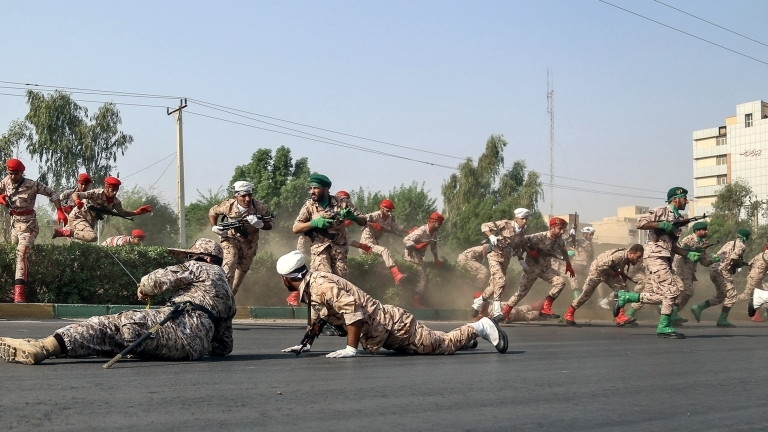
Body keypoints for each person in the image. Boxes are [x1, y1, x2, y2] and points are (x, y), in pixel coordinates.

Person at [0, 238, 236, 365]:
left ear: (205, 258)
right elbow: (224, 347)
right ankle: (52, 344)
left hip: (176, 328)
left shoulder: (200, 267)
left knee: (105, 327)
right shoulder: (228, 295)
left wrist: (143, 289)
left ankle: (43, 348)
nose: (188, 259)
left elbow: (154, 280)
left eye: (190, 256)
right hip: (191, 351)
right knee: (111, 341)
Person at [276, 250, 508, 357]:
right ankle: (465, 340)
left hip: (394, 326)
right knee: (433, 341)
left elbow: (353, 313)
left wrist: (350, 349)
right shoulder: (313, 284)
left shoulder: (320, 285)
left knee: (442, 346)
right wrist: (305, 344)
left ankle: (482, 327)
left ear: (287, 278)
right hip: (384, 331)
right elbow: (320, 316)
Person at [613, 187, 698, 339]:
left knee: (665, 293)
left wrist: (688, 253)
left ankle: (625, 297)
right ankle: (664, 326)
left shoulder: (678, 219)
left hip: (665, 258)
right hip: (654, 257)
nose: (686, 201)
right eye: (684, 198)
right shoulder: (661, 211)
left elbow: (672, 245)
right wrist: (661, 225)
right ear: (675, 199)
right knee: (671, 290)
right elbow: (640, 223)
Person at [0, 158, 68, 303]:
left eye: (16, 174)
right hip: (14, 226)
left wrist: (60, 210)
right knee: (13, 253)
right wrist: (0, 197)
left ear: (22, 173)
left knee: (20, 254)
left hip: (29, 226)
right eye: (10, 173)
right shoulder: (5, 181)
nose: (13, 177)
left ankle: (19, 292)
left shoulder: (32, 185)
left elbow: (53, 193)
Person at [500, 217, 575, 322]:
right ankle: (506, 312)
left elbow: (564, 251)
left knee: (560, 282)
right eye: (560, 228)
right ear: (552, 228)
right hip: (532, 268)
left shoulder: (559, 241)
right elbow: (520, 241)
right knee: (521, 293)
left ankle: (546, 307)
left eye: (563, 229)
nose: (562, 231)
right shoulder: (539, 237)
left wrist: (568, 264)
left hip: (545, 269)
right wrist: (529, 252)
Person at [292, 174, 366, 279]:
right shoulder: (309, 205)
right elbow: (296, 228)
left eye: (316, 188)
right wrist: (314, 223)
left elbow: (363, 221)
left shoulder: (342, 203)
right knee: (323, 279)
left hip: (339, 251)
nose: (312, 191)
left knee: (341, 282)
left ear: (326, 189)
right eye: (310, 188)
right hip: (319, 249)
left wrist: (353, 217)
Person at [209, 181, 274, 296]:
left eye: (249, 195)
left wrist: (260, 224)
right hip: (231, 239)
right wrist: (214, 227)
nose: (247, 199)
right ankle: (221, 296)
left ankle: (229, 299)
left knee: (237, 281)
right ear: (236, 196)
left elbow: (271, 224)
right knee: (229, 264)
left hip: (250, 244)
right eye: (243, 196)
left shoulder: (259, 207)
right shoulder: (228, 205)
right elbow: (212, 212)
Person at [473, 208, 531, 321]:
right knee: (501, 281)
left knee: (494, 286)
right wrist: (491, 236)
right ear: (516, 218)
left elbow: (518, 244)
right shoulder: (505, 224)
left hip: (506, 258)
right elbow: (484, 226)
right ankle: (497, 312)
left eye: (526, 219)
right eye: (522, 218)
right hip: (494, 254)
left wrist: (520, 259)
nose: (524, 221)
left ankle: (478, 302)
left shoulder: (523, 230)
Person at [563, 244, 644, 326]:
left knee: (623, 291)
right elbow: (601, 266)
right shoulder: (619, 256)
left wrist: (621, 277)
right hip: (597, 271)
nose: (639, 259)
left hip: (608, 271)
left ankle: (620, 316)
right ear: (631, 253)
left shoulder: (626, 257)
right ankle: (569, 313)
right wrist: (614, 273)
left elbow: (619, 269)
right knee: (586, 294)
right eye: (638, 257)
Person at [54, 176, 153, 242]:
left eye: (116, 190)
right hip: (78, 217)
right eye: (112, 190)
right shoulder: (96, 193)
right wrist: (77, 201)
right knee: (93, 237)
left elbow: (123, 213)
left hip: (89, 222)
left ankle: (64, 232)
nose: (114, 193)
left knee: (82, 243)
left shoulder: (116, 202)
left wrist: (137, 212)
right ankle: (64, 232)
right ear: (106, 188)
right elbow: (76, 194)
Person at [690, 229, 750, 328]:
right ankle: (722, 320)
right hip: (722, 271)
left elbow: (720, 255)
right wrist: (739, 263)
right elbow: (734, 259)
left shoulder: (730, 243)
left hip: (715, 269)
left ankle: (698, 307)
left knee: (721, 296)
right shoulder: (741, 246)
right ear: (747, 237)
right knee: (732, 295)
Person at [670, 221, 716, 324]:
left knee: (686, 293)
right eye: (704, 230)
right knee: (687, 291)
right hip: (681, 268)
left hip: (689, 271)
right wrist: (697, 249)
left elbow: (704, 261)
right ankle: (671, 312)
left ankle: (672, 314)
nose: (706, 231)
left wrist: (713, 260)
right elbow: (682, 251)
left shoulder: (702, 243)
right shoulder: (688, 239)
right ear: (697, 231)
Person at [358, 197, 408, 285]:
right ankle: (396, 274)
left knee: (385, 259)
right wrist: (372, 224)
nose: (389, 213)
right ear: (381, 208)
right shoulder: (374, 215)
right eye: (387, 210)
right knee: (384, 251)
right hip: (366, 242)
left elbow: (397, 226)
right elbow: (360, 220)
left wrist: (408, 231)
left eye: (391, 211)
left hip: (375, 242)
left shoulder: (390, 218)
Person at [403, 212, 444, 308]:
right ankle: (415, 302)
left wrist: (436, 259)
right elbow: (406, 240)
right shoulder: (421, 231)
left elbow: (434, 247)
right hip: (411, 255)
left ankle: (411, 299)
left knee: (416, 277)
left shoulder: (434, 234)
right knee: (421, 278)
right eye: (439, 223)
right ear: (432, 221)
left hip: (419, 257)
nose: (440, 226)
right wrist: (416, 246)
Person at [738, 241, 768, 322]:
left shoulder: (761, 254)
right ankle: (727, 302)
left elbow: (750, 263)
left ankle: (756, 316)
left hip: (755, 278)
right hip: (754, 279)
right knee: (745, 296)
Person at [567, 226, 596, 300]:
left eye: (592, 234)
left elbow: (591, 257)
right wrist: (571, 234)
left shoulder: (590, 244)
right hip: (576, 265)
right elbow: (569, 242)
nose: (592, 236)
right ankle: (577, 297)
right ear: (585, 234)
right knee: (574, 277)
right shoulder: (578, 241)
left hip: (586, 267)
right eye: (590, 234)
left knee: (596, 277)